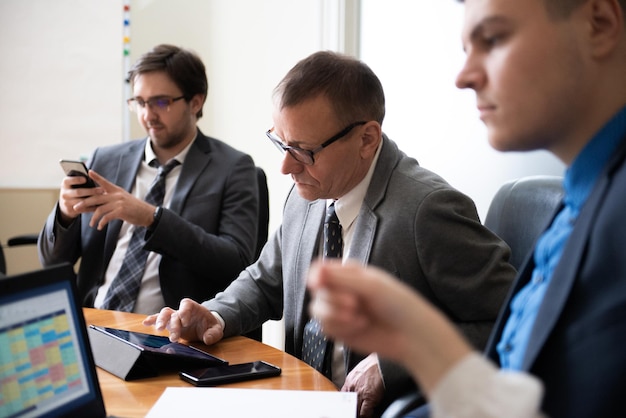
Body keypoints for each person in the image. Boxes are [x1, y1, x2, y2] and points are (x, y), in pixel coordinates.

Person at [144, 50, 516, 417]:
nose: (286, 166)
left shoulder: (427, 211)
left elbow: (510, 322)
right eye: (280, 143)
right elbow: (266, 281)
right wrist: (215, 316)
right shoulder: (310, 191)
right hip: (299, 398)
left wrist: (393, 362)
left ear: (367, 139)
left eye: (303, 151)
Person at [307, 0, 626, 416]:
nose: (463, 77)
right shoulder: (582, 200)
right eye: (464, 50)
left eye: (492, 39)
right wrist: (419, 340)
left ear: (598, 24)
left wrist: (422, 345)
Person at [38, 44, 260, 315]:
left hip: (167, 338)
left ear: (196, 101)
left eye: (161, 102)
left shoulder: (233, 168)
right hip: (93, 324)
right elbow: (51, 262)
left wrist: (152, 218)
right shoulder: (105, 161)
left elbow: (235, 262)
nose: (147, 115)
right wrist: (64, 215)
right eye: (139, 102)